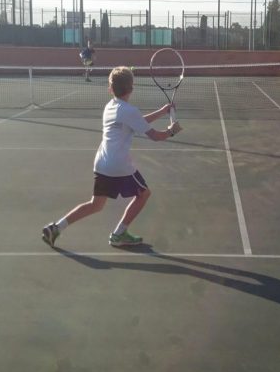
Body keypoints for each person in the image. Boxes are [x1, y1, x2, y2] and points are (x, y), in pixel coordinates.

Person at [43, 65, 180, 249]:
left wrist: (163, 111)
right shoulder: (129, 111)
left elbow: (136, 122)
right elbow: (155, 136)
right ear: (131, 88)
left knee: (95, 204)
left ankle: (56, 227)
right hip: (119, 166)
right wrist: (171, 131)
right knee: (143, 194)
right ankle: (119, 233)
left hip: (102, 163)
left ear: (110, 89)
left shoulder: (110, 107)